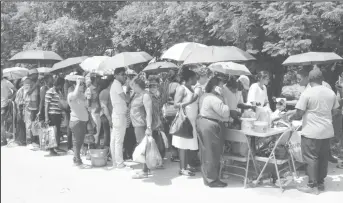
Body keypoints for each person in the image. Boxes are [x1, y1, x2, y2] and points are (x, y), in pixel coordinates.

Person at [289, 69, 339, 194]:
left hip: (311, 131)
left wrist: (290, 116)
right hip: (327, 131)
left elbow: (299, 113)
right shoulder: (331, 92)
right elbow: (337, 111)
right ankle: (321, 183)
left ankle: (312, 185)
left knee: (311, 157)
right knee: (323, 157)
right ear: (321, 79)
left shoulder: (307, 93)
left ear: (310, 80)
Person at [196, 76, 230, 188]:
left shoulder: (205, 96)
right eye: (221, 86)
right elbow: (225, 112)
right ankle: (212, 180)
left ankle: (208, 178)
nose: (223, 88)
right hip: (210, 124)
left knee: (206, 151)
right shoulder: (214, 98)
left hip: (203, 122)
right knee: (212, 152)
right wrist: (223, 97)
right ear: (215, 87)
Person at [173, 67, 199, 176]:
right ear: (189, 79)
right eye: (194, 78)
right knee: (182, 145)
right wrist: (188, 102)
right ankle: (182, 168)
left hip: (192, 121)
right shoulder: (181, 88)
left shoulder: (192, 88)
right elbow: (175, 104)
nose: (196, 80)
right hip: (185, 121)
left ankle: (187, 165)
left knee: (188, 145)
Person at [130, 76, 155, 179]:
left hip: (142, 125)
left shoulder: (145, 96)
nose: (131, 87)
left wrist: (148, 127)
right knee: (142, 146)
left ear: (136, 85)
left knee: (143, 147)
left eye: (133, 85)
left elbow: (149, 112)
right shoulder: (137, 94)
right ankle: (146, 168)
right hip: (137, 124)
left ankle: (144, 171)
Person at [110, 67, 130, 169]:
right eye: (122, 74)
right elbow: (126, 99)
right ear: (116, 75)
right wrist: (130, 90)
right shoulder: (117, 85)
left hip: (118, 114)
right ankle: (119, 163)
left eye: (124, 74)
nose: (124, 76)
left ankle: (115, 161)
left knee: (114, 140)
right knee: (118, 141)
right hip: (119, 115)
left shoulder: (116, 85)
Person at [67, 76, 89, 166]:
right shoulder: (71, 95)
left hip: (82, 121)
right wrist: (78, 83)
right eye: (81, 84)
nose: (82, 86)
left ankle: (76, 158)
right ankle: (77, 159)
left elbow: (87, 106)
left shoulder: (82, 95)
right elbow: (74, 95)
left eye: (83, 84)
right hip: (76, 121)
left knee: (78, 141)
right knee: (77, 141)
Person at [161, 70, 181, 162]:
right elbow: (178, 100)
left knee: (169, 134)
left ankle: (173, 154)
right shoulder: (177, 85)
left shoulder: (165, 85)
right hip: (175, 111)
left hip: (166, 111)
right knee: (176, 133)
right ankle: (177, 155)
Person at [45, 77, 65, 156]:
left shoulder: (59, 92)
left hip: (58, 114)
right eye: (61, 85)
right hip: (52, 114)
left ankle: (56, 147)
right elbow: (46, 105)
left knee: (57, 132)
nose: (62, 87)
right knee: (52, 132)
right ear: (58, 84)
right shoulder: (50, 91)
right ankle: (51, 150)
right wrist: (46, 117)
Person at [23, 68, 41, 149]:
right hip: (29, 105)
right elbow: (28, 92)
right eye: (36, 74)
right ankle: (29, 141)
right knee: (29, 123)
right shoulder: (27, 81)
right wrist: (36, 84)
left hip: (35, 106)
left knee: (34, 124)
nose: (37, 76)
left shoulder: (35, 82)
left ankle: (34, 140)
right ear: (32, 75)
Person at [85, 73, 102, 147]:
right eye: (98, 78)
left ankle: (96, 145)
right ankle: (93, 147)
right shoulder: (89, 89)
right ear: (95, 79)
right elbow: (88, 101)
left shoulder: (98, 87)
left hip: (98, 111)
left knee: (98, 130)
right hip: (93, 112)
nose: (100, 79)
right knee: (95, 130)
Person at [1, 69, 16, 145]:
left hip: (3, 105)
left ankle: (4, 140)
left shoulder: (6, 82)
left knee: (1, 123)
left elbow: (15, 90)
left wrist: (11, 99)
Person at [99, 76, 113, 148]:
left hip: (109, 115)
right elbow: (104, 106)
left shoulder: (110, 92)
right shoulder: (105, 92)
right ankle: (106, 150)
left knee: (109, 134)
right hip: (105, 116)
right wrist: (109, 119)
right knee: (107, 134)